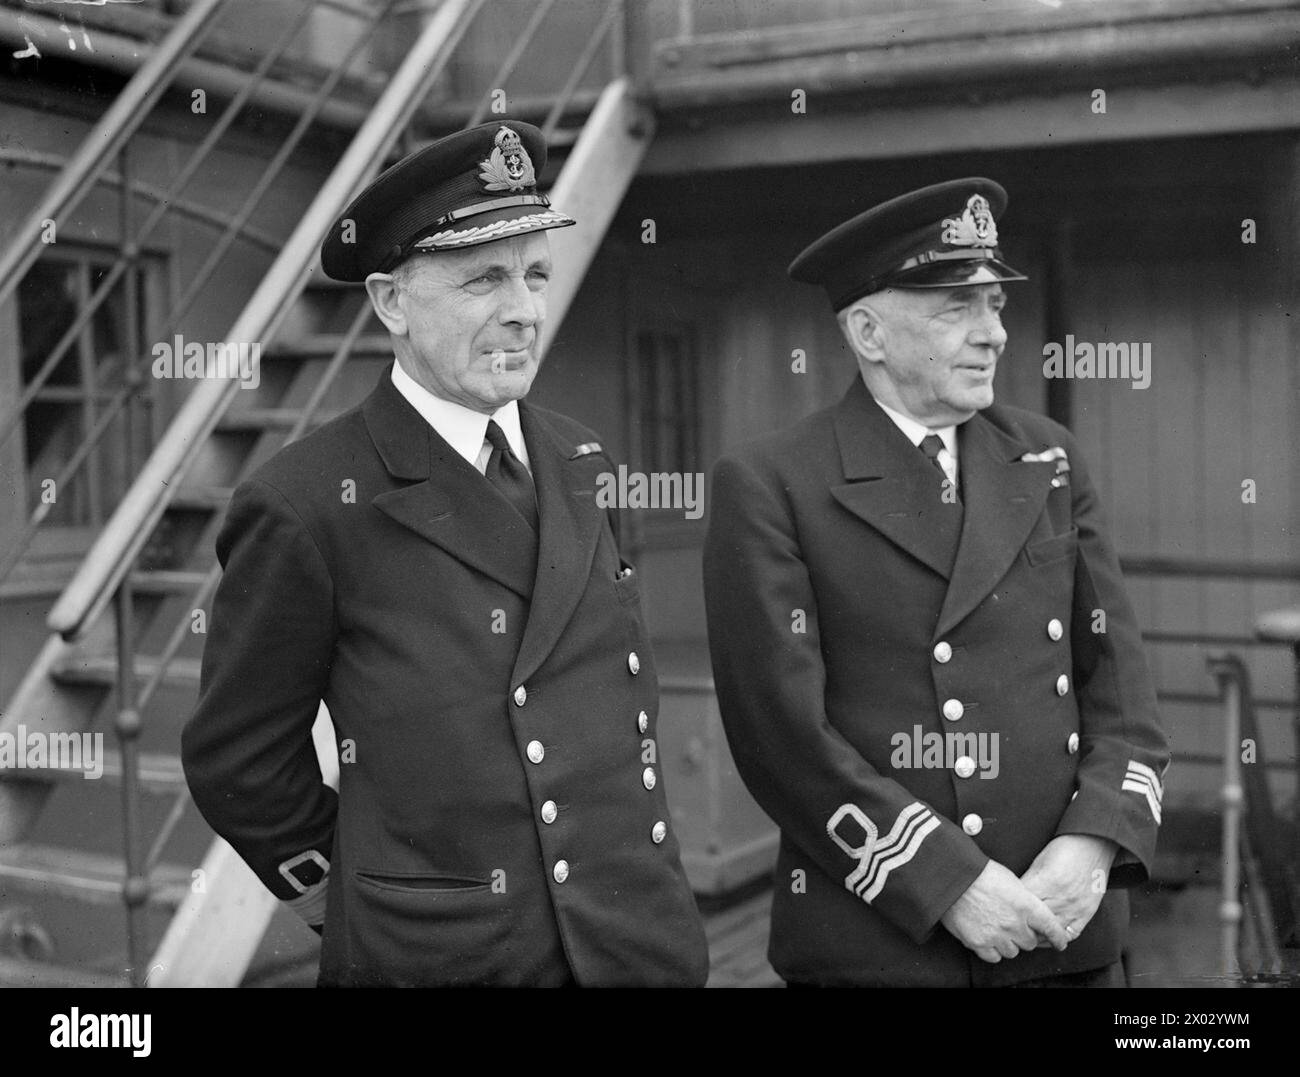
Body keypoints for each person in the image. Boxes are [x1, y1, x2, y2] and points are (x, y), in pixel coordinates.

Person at [182, 121, 708, 987]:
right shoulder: (307, 501)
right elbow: (239, 762)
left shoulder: (581, 460)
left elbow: (619, 701)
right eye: (485, 279)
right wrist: (352, 900)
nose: (525, 309)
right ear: (392, 302)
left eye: (536, 274)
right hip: (447, 958)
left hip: (637, 941)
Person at [702, 178, 1169, 987]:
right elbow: (783, 739)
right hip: (888, 944)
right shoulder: (774, 482)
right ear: (869, 331)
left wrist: (1094, 842)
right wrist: (949, 882)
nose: (993, 334)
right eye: (957, 308)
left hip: (1064, 931)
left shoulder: (1047, 456)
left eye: (995, 305)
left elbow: (1123, 691)